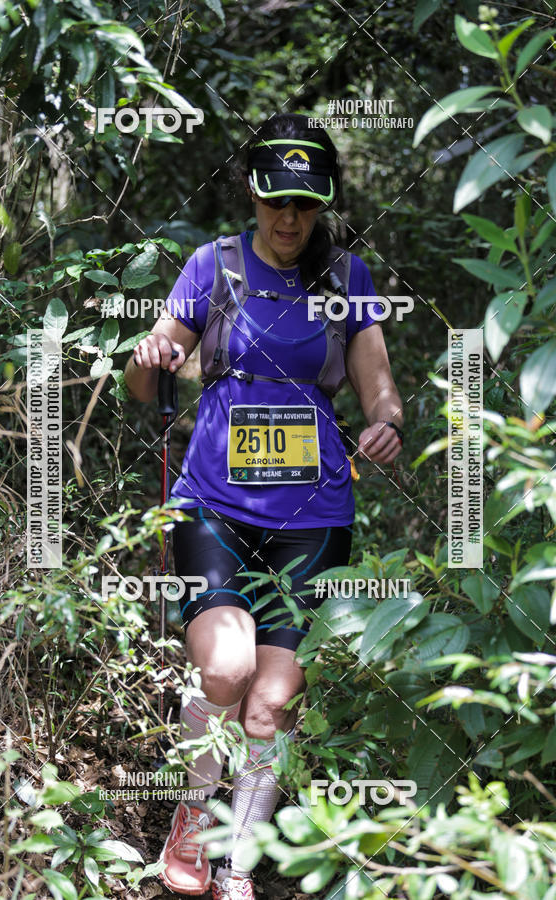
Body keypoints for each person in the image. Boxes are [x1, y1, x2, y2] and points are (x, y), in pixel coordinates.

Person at [124, 112, 404, 900]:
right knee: (226, 668)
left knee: (272, 705)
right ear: (252, 194)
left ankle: (238, 865)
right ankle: (191, 816)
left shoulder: (346, 278)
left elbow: (381, 390)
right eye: (276, 201)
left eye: (305, 204)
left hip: (314, 516)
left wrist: (385, 425)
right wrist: (150, 357)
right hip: (215, 503)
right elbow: (144, 382)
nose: (289, 219)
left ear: (323, 205)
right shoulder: (212, 266)